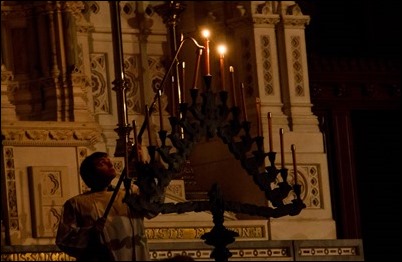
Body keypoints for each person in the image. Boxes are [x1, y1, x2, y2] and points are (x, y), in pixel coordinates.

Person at [55, 151, 157, 261]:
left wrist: (144, 165)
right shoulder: (76, 203)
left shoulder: (130, 194)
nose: (110, 164)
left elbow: (153, 209)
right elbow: (64, 240)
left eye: (110, 161)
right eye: (102, 163)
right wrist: (91, 231)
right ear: (91, 173)